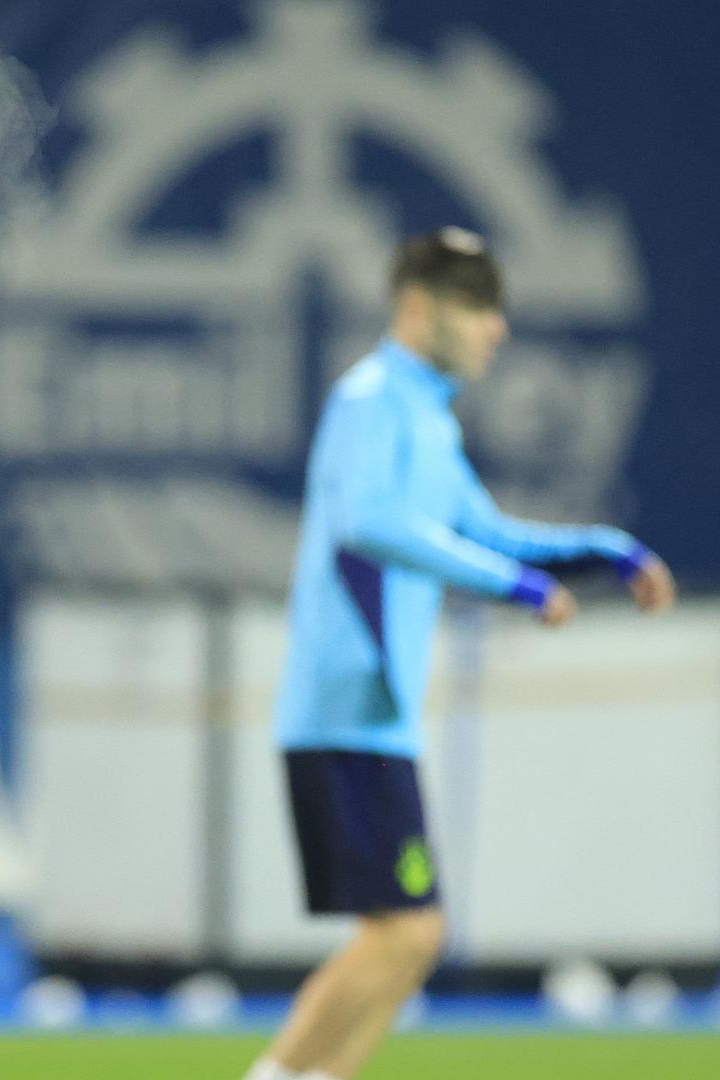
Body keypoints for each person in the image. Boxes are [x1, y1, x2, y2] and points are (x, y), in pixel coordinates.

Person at [244, 228, 675, 1080]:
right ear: (416, 308)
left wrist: (613, 553)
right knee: (405, 930)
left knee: (415, 936)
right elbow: (368, 523)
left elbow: (488, 533)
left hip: (378, 719)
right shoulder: (369, 399)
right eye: (476, 307)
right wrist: (514, 588)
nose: (496, 329)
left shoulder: (428, 421)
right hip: (342, 708)